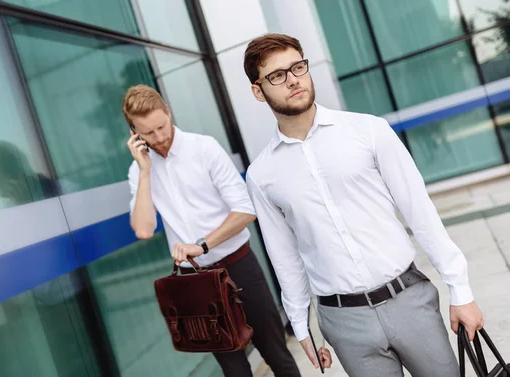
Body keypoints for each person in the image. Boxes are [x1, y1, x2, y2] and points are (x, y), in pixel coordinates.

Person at [243, 33, 484, 377]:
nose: (293, 79)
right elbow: (285, 258)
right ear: (258, 90)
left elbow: (420, 212)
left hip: (409, 301)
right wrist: (301, 326)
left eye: (297, 67)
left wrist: (460, 289)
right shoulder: (262, 174)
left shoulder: (368, 131)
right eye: (277, 75)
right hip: (344, 322)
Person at [122, 85, 305, 377]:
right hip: (197, 282)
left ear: (168, 113)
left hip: (240, 268)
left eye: (161, 126)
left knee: (276, 354)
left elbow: (245, 210)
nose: (159, 137)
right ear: (134, 133)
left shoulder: (203, 148)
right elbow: (144, 229)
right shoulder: (139, 171)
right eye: (148, 133)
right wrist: (144, 171)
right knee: (233, 370)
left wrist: (203, 244)